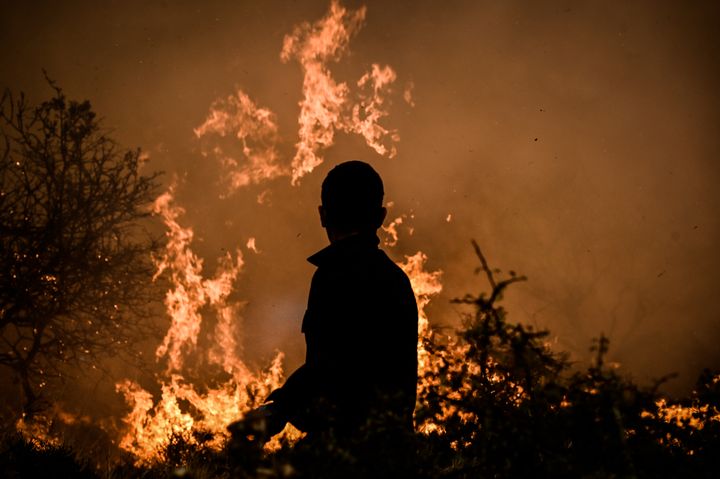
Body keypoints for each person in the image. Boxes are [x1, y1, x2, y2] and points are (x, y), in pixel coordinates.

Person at [230, 160, 418, 474]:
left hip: (342, 456)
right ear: (381, 217)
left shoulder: (334, 276)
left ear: (322, 216)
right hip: (395, 454)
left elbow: (331, 366)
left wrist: (278, 409)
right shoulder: (396, 279)